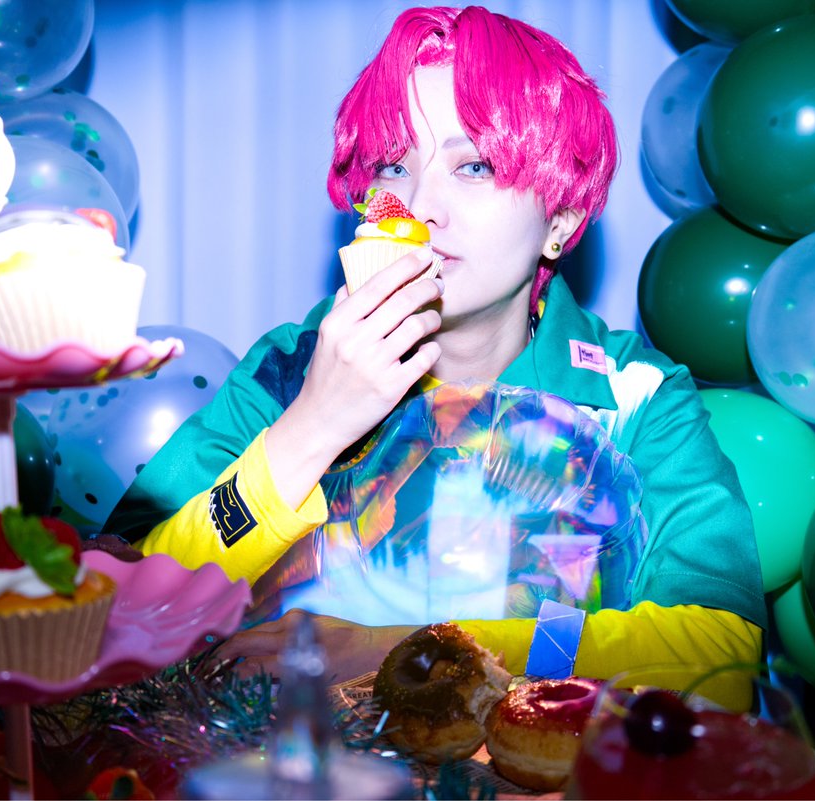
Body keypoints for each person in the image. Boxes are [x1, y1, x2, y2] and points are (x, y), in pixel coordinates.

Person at [103, 5, 765, 685]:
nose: (420, 206)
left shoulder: (636, 398)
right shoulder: (292, 368)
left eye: (473, 166)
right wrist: (311, 428)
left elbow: (721, 647)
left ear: (560, 223)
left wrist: (418, 653)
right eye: (394, 166)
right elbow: (115, 607)